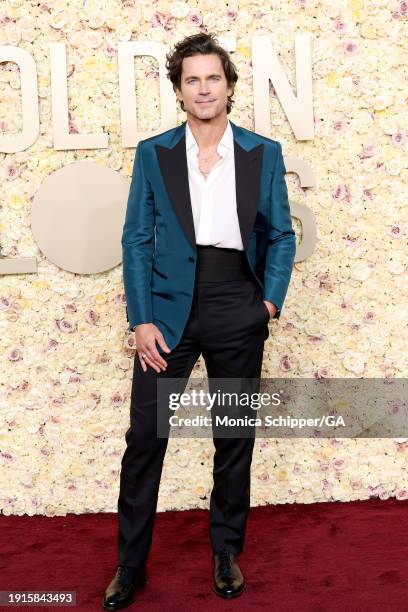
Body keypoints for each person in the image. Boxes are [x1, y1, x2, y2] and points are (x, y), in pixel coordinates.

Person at [102, 32, 296, 610]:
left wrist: (268, 304)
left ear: (229, 87)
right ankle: (129, 565)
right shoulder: (154, 152)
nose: (204, 88)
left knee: (233, 437)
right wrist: (141, 320)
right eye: (192, 79)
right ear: (179, 90)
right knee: (146, 439)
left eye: (214, 77)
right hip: (168, 312)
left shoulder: (262, 153)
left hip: (238, 302)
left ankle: (225, 551)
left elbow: (282, 235)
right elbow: (136, 238)